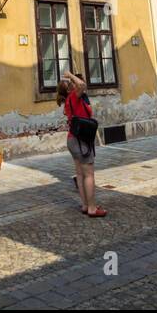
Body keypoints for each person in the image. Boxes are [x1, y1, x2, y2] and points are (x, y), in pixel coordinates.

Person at [57, 71, 105, 217]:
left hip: (73, 139)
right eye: (74, 82)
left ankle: (85, 205)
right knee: (89, 175)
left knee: (80, 174)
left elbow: (82, 85)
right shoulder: (74, 96)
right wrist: (70, 75)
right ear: (71, 87)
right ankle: (92, 208)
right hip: (80, 141)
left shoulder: (68, 100)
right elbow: (82, 85)